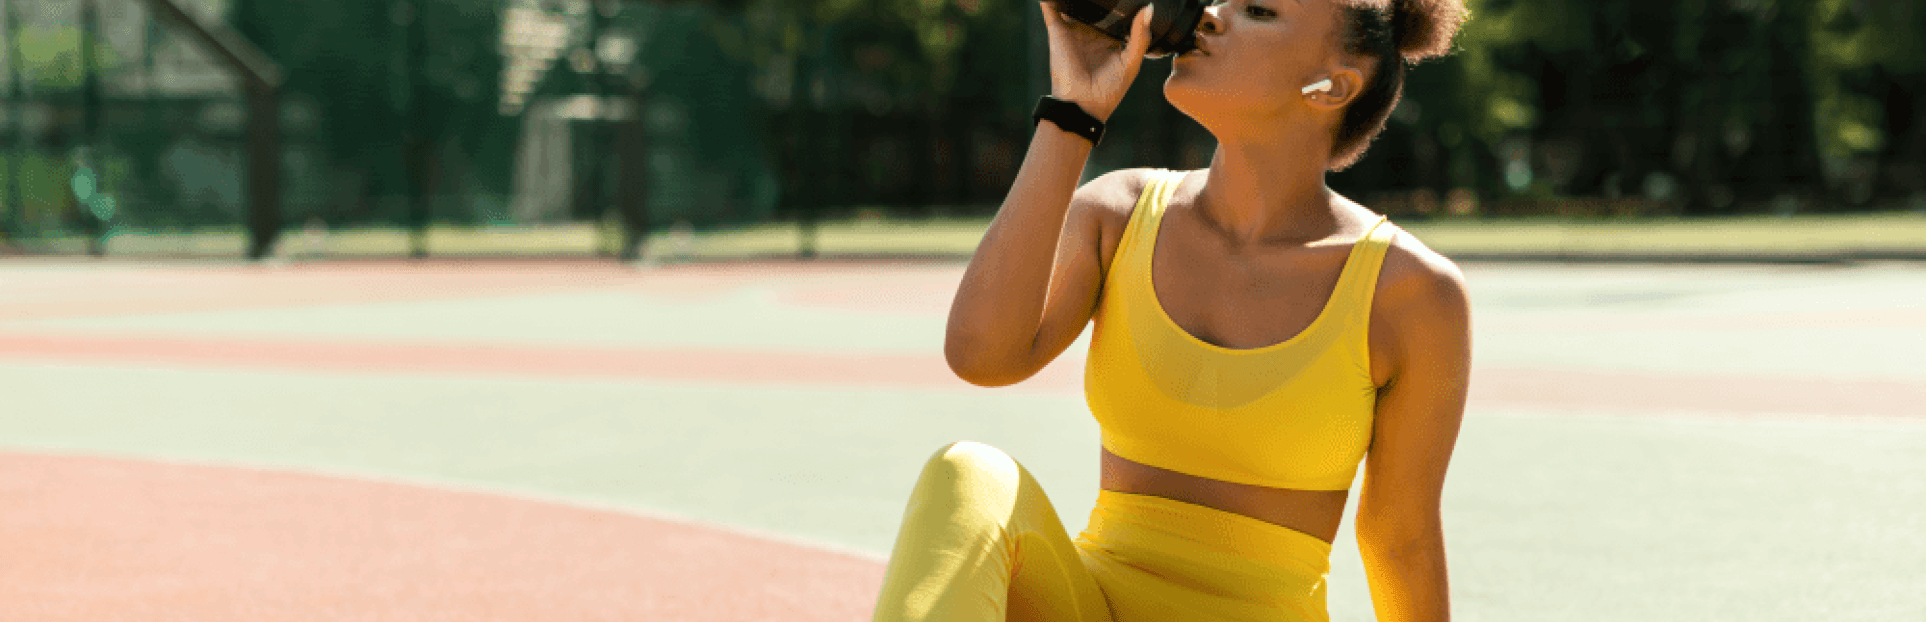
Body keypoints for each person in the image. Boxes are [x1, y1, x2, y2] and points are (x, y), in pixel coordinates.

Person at [871, 0, 1471, 620]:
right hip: (1093, 603)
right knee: (967, 473)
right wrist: (1073, 114)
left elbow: (1399, 538)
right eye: (1222, 0)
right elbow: (980, 355)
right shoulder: (1121, 214)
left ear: (1332, 86)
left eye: (1259, 11)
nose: (1209, 14)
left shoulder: (1409, 291)